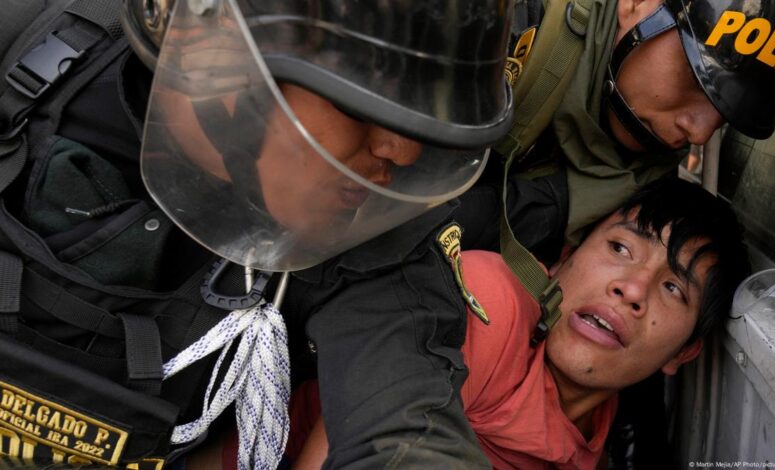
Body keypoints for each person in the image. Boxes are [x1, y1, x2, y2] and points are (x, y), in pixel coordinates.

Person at [0, 0, 514, 468]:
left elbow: (405, 417)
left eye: (424, 113)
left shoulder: (370, 226)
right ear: (210, 53)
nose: (402, 153)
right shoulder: (21, 47)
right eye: (363, 101)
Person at [283, 177, 750, 469]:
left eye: (673, 289)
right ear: (564, 259)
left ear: (685, 351)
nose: (632, 289)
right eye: (620, 249)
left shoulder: (594, 428)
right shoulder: (490, 302)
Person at [458, 0, 775, 265]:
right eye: (696, 80)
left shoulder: (648, 189)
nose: (700, 133)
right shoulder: (506, 18)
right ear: (637, 4)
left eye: (724, 115)